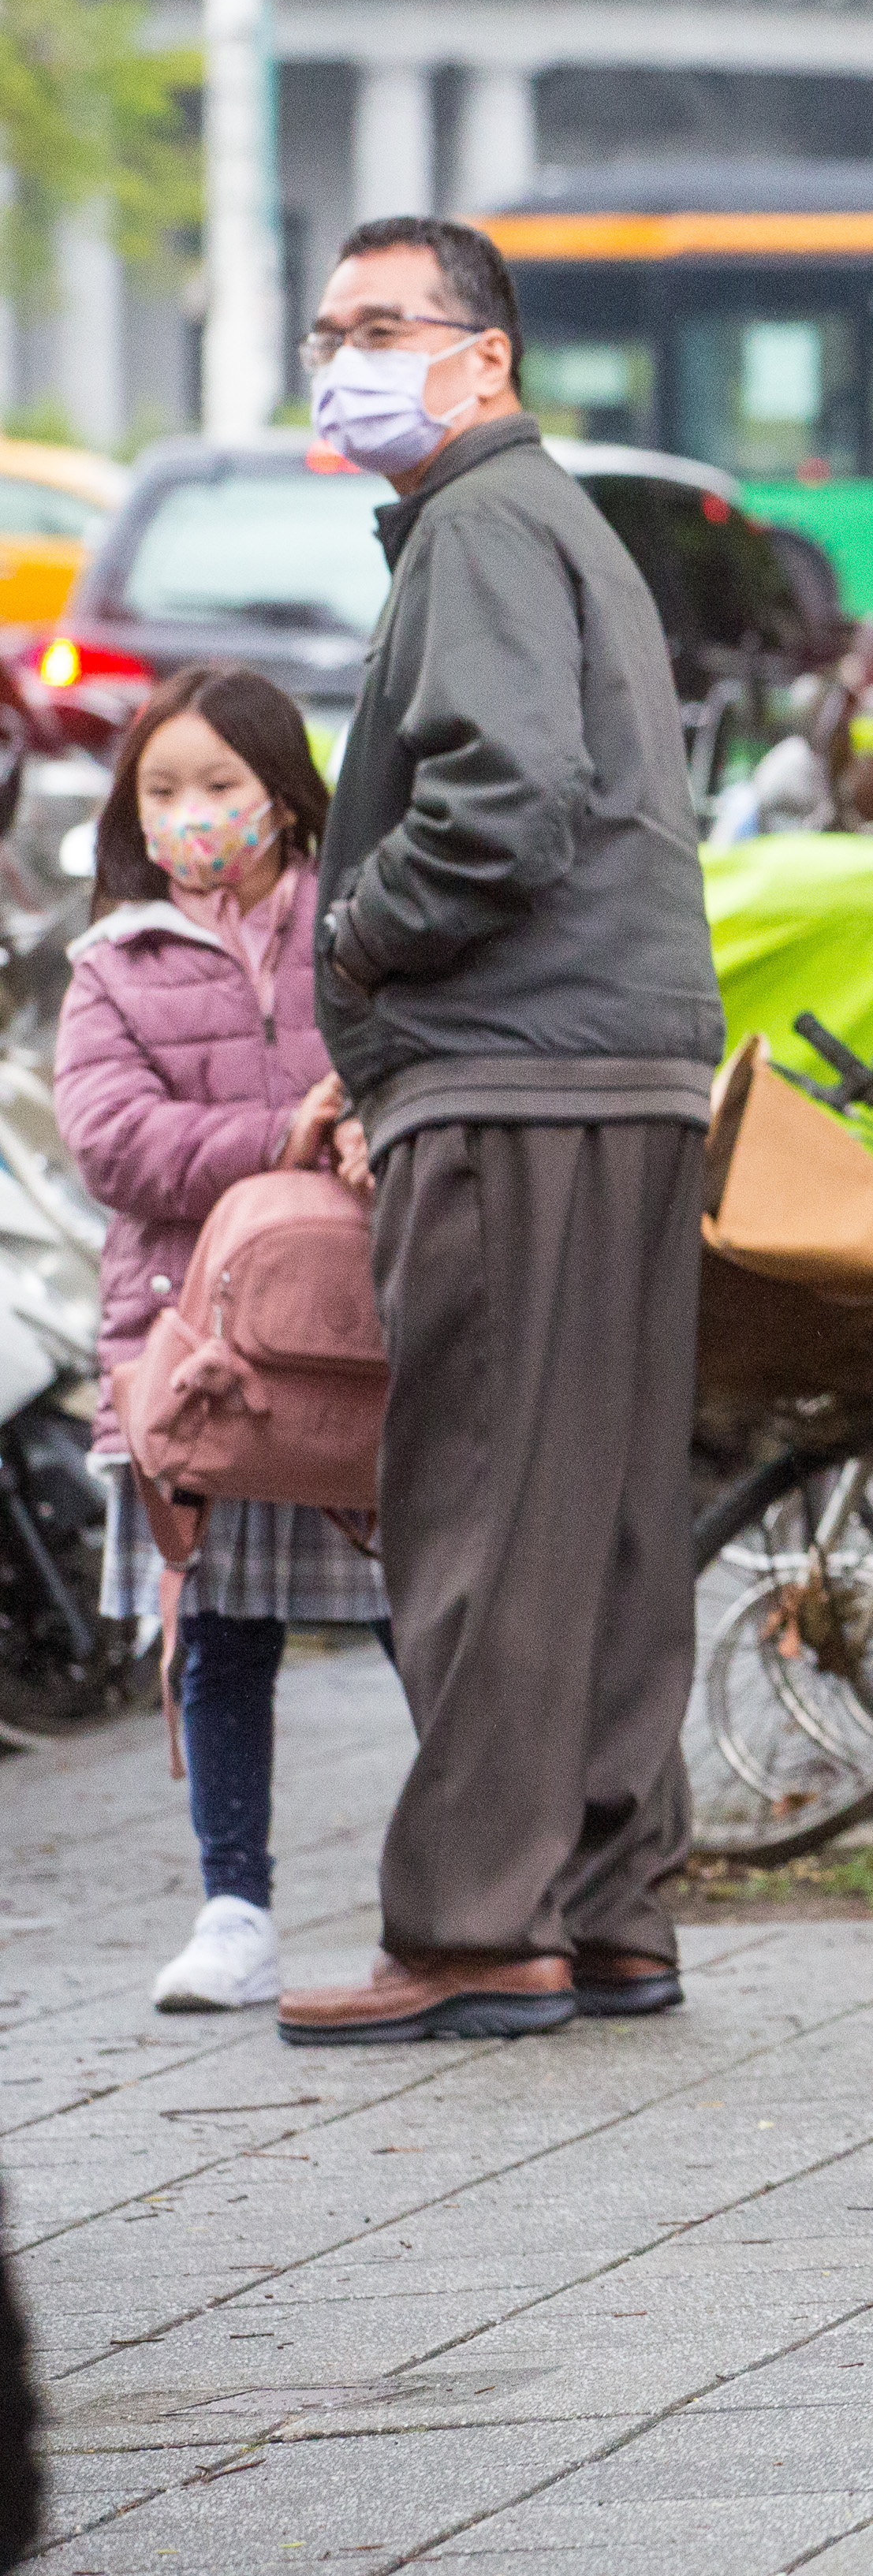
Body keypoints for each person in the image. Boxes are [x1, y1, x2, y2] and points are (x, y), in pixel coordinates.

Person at [276, 214, 726, 2048]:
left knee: (476, 1510)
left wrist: (356, 950)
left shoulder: (474, 523)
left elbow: (504, 800)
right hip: (614, 1068)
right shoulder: (553, 525)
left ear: (489, 353)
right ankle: (610, 1907)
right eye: (327, 326)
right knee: (605, 1517)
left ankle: (473, 1926)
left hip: (515, 1074)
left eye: (381, 323)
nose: (342, 356)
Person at [52, 668, 374, 2015]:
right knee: (224, 1631)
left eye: (221, 786)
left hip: (362, 1344)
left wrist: (362, 1121)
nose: (193, 815)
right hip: (199, 1362)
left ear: (286, 796)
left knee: (431, 1621)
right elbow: (112, 1141)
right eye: (163, 790)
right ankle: (232, 1908)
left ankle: (482, 1880)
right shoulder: (111, 965)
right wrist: (278, 1138)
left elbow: (411, 1068)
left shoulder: (358, 938)